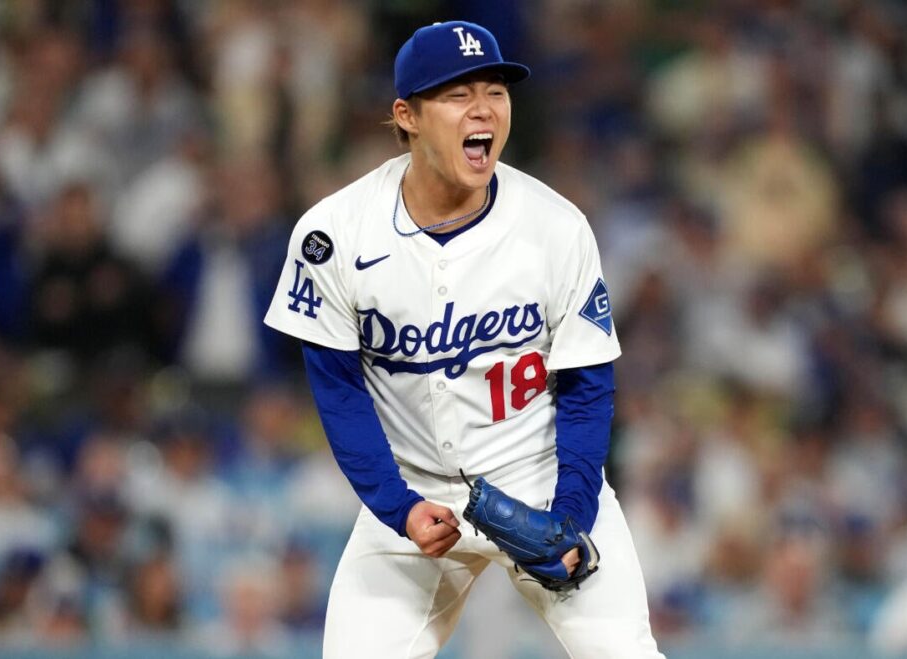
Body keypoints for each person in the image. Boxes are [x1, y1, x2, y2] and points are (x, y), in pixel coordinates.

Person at [264, 21, 664, 657]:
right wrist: (396, 507)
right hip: (413, 488)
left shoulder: (555, 227)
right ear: (407, 115)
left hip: (539, 478)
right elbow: (339, 393)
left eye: (495, 91)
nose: (483, 109)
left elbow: (588, 386)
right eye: (458, 94)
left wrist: (572, 515)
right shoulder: (336, 233)